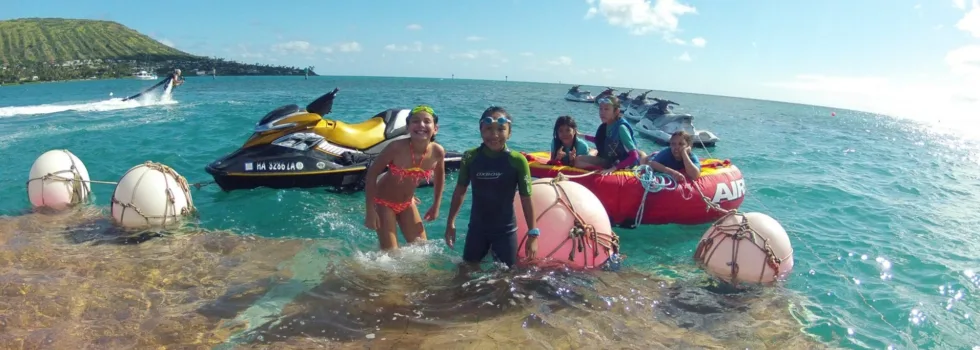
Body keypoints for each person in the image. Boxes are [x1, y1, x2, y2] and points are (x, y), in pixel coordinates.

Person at [445, 106, 538, 268]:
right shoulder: (470, 157)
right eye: (488, 129)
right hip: (476, 230)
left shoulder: (517, 161)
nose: (494, 135)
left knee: (506, 279)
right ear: (480, 130)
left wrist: (533, 233)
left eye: (501, 129)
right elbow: (460, 190)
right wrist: (450, 223)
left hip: (506, 231)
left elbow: (526, 197)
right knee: (465, 271)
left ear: (509, 133)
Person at [364, 105, 446, 251]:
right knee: (391, 254)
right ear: (408, 127)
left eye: (427, 121)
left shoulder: (437, 152)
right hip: (383, 203)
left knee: (422, 250)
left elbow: (440, 178)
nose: (421, 125)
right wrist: (370, 210)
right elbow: (372, 174)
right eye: (415, 121)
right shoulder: (396, 148)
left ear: (435, 128)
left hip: (407, 203)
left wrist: (436, 205)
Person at [574, 96, 641, 175]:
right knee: (578, 160)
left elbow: (634, 156)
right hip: (610, 161)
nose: (602, 112)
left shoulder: (621, 128)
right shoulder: (606, 125)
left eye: (606, 109)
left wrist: (613, 169)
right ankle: (599, 170)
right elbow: (599, 140)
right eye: (600, 109)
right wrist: (580, 135)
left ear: (616, 111)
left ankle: (601, 171)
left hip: (624, 165)